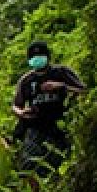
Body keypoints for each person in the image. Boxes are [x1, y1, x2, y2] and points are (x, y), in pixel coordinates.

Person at [12, 41, 85, 170]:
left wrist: (61, 86)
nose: (37, 60)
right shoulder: (26, 80)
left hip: (59, 125)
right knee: (30, 164)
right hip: (35, 127)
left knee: (59, 161)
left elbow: (83, 91)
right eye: (34, 57)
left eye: (40, 56)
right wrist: (21, 113)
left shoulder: (61, 72)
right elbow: (16, 105)